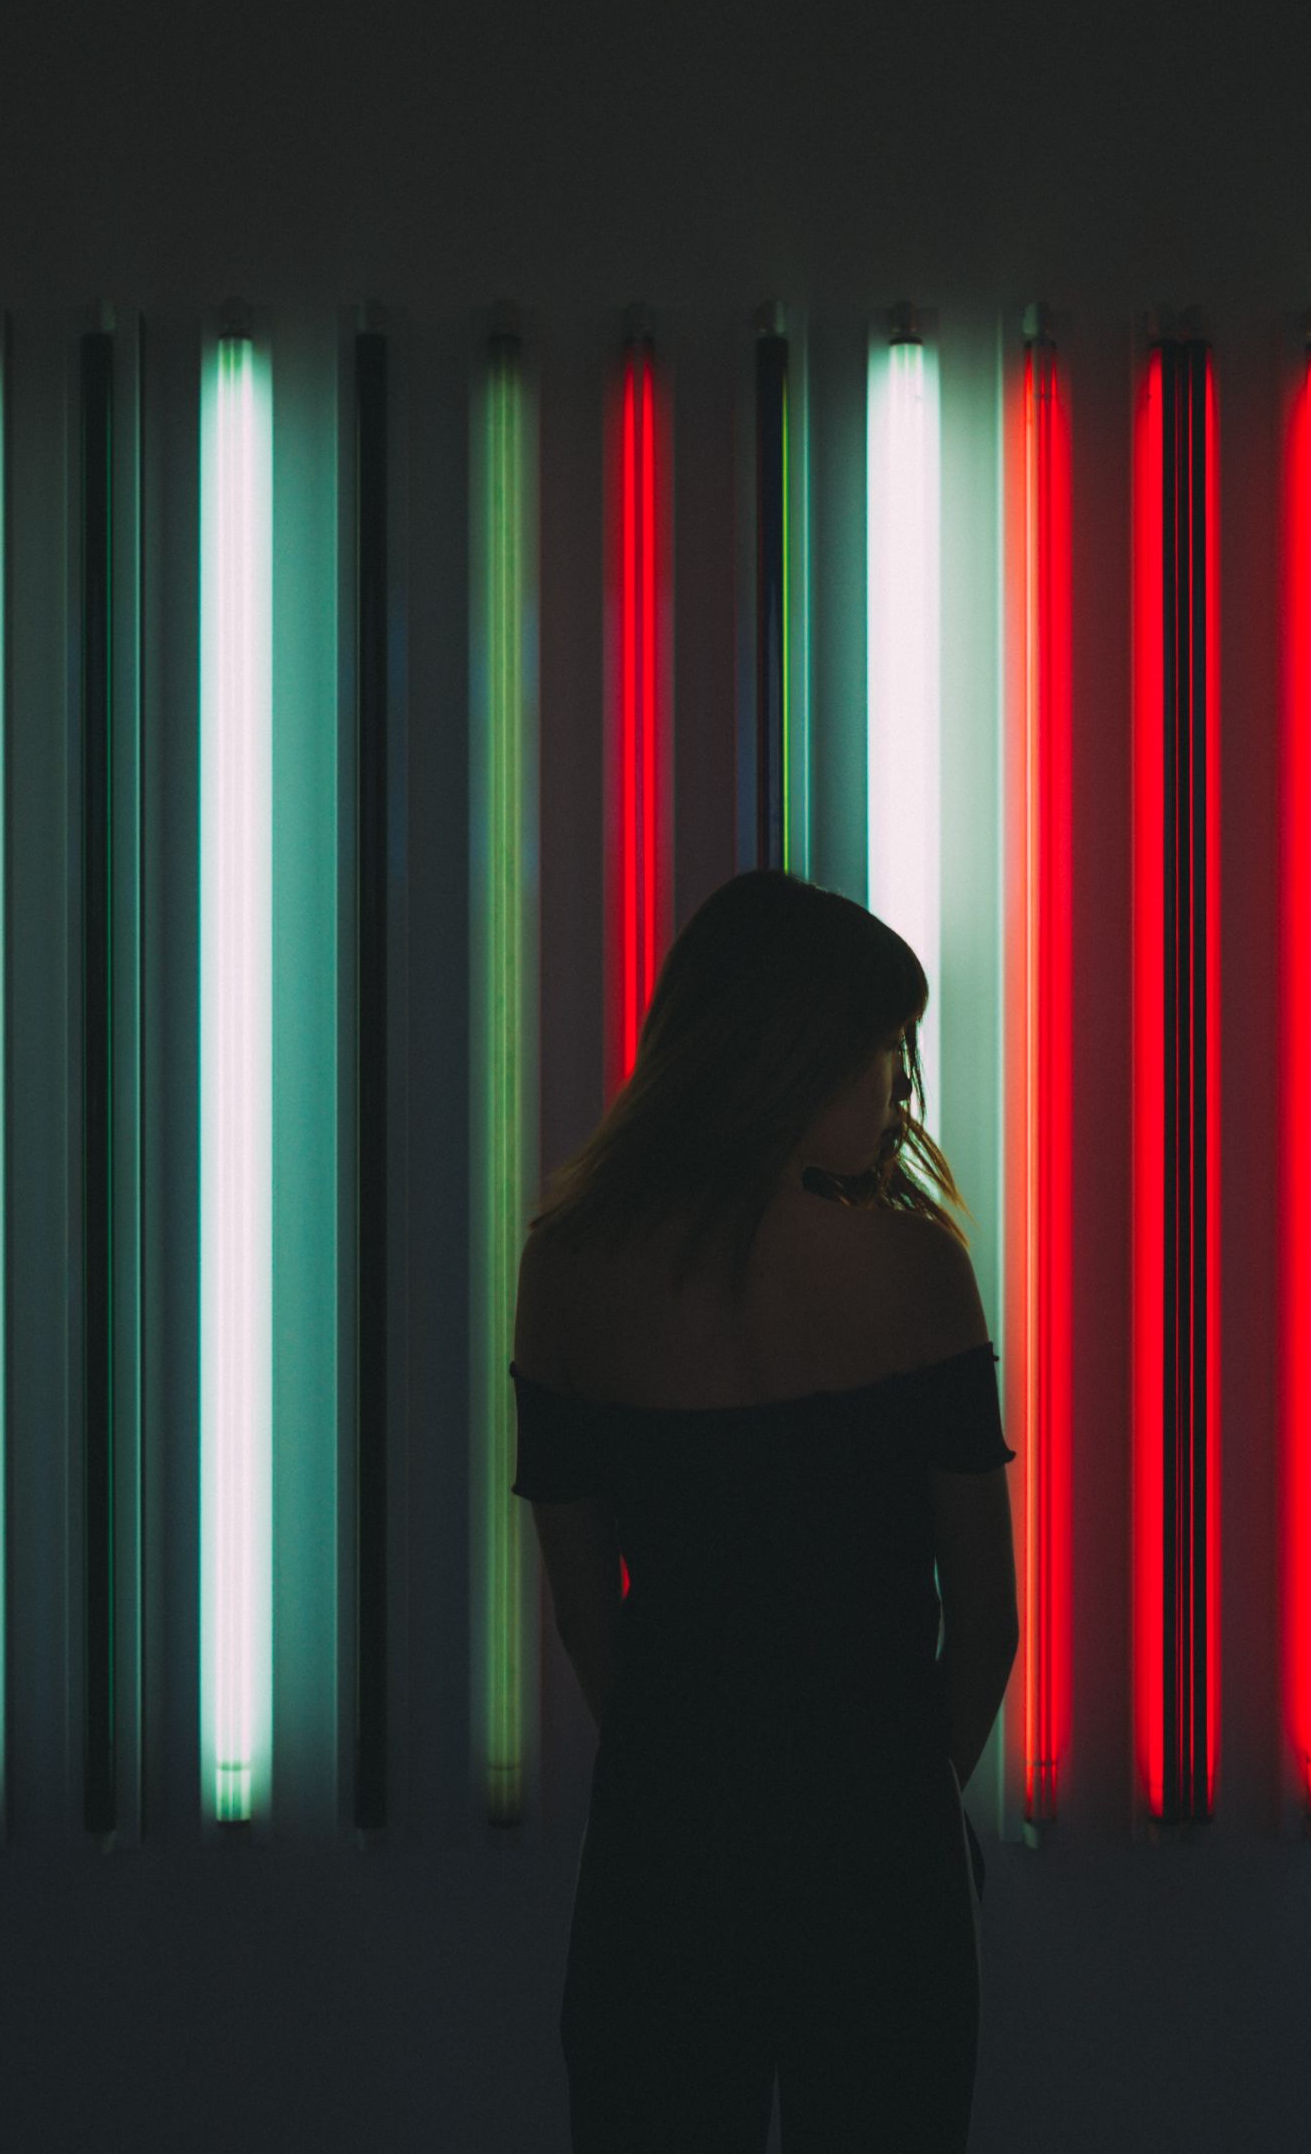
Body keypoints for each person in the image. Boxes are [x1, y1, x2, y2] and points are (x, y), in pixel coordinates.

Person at [511, 870, 1019, 2152]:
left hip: (665, 1844)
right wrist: (899, 1802)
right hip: (879, 1842)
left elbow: (584, 1613)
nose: (899, 1090)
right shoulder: (912, 1270)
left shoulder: (567, 1268)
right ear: (790, 1059)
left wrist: (693, 1789)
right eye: (881, 1054)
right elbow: (989, 1619)